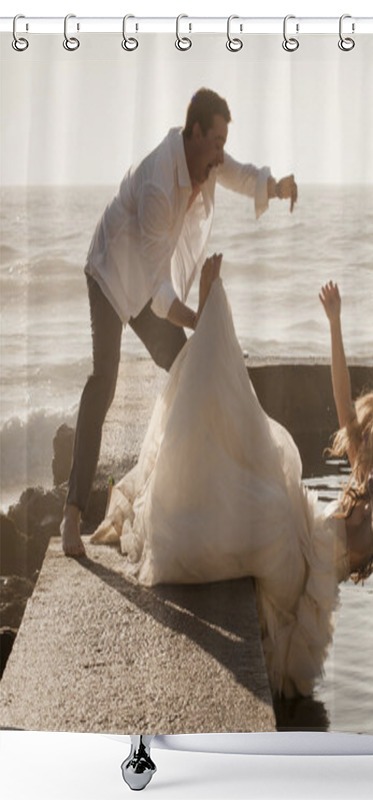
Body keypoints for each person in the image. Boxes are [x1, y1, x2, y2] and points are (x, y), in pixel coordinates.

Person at [90, 261, 373, 698]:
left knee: (267, 499)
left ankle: (209, 341)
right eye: (369, 440)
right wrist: (335, 322)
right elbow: (343, 397)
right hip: (297, 553)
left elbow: (372, 532)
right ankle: (209, 374)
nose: (364, 449)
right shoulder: (363, 470)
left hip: (298, 578)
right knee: (261, 468)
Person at [61, 88, 298, 558]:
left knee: (191, 368)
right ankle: (71, 517)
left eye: (222, 143)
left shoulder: (207, 161)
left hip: (150, 286)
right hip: (112, 277)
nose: (219, 153)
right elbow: (157, 292)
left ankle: (181, 497)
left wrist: (275, 186)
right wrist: (202, 320)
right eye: (215, 142)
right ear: (193, 134)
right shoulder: (156, 183)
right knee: (104, 381)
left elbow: (239, 174)